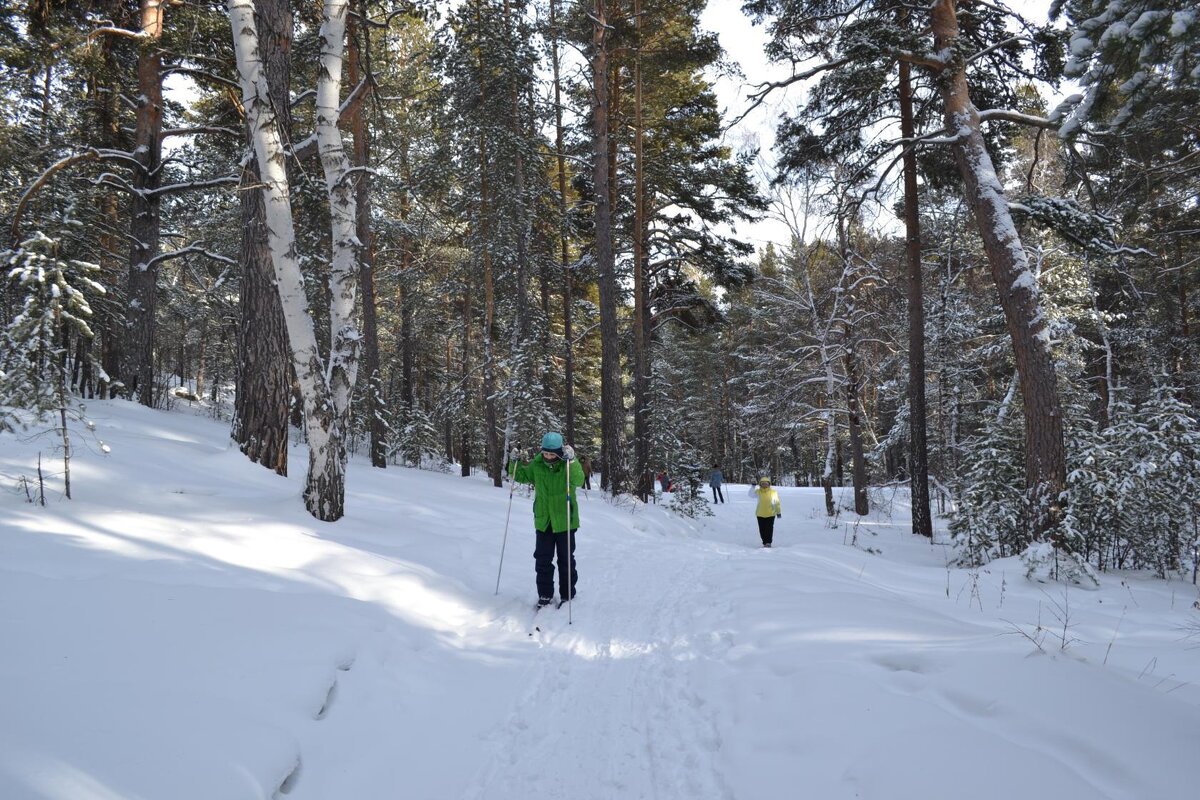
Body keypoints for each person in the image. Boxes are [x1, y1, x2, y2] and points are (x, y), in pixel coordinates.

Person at [509, 432, 585, 607]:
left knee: (565, 559)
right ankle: (544, 594)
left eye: (552, 454)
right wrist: (514, 461)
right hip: (544, 520)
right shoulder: (537, 466)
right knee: (543, 559)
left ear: (559, 452)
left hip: (565, 520)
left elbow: (579, 480)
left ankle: (567, 594)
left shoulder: (567, 466)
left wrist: (572, 461)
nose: (549, 457)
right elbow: (521, 476)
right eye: (546, 453)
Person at [748, 477, 781, 547]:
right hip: (760, 514)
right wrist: (753, 486)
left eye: (766, 483)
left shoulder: (773, 492)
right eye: (763, 484)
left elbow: (777, 502)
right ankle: (764, 542)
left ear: (769, 484)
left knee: (769, 529)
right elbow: (750, 495)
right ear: (760, 484)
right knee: (762, 529)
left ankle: (768, 542)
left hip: (770, 514)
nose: (764, 485)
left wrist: (778, 512)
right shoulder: (758, 491)